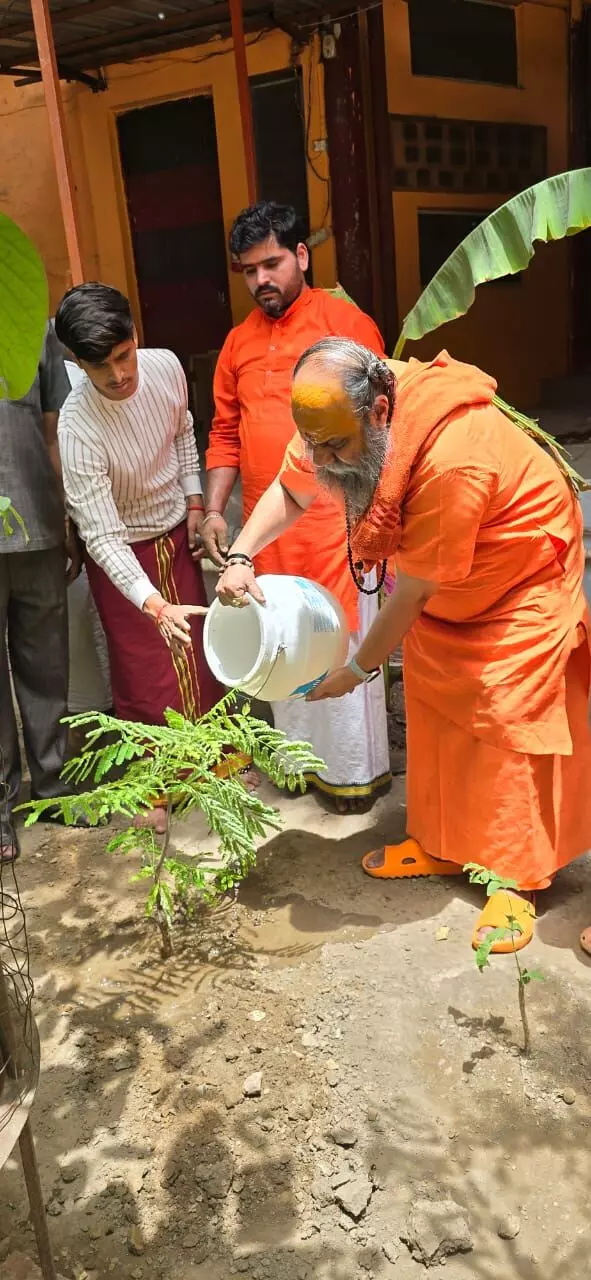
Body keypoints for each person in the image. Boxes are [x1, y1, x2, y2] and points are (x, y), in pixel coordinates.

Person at [216, 338, 591, 953]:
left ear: (381, 412)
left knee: (506, 720)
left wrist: (358, 670)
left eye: (335, 448)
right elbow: (294, 486)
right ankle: (444, 844)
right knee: (435, 708)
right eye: (315, 445)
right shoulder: (333, 413)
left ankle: (516, 880)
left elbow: (413, 591)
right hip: (448, 581)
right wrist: (239, 554)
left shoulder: (452, 458)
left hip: (520, 574)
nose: (324, 460)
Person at [202, 202, 390, 811]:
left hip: (339, 524)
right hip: (269, 525)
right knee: (278, 641)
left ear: (301, 257)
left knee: (341, 639)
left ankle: (353, 776)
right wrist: (214, 512)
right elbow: (225, 432)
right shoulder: (236, 345)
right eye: (249, 270)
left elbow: (383, 421)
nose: (262, 280)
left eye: (273, 263)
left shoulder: (344, 323)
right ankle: (297, 768)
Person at [55, 283, 221, 831]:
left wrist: (195, 501)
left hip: (177, 528)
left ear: (136, 337)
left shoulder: (167, 367)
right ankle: (154, 779)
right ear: (76, 363)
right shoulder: (77, 426)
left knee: (199, 651)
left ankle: (213, 760)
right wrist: (152, 602)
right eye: (101, 367)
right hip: (122, 548)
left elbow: (181, 433)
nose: (120, 375)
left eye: (124, 356)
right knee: (143, 664)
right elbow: (100, 536)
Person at [0, 323, 80, 861]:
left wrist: (67, 513)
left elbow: (55, 430)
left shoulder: (32, 323)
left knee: (48, 663)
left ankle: (53, 787)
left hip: (38, 525)